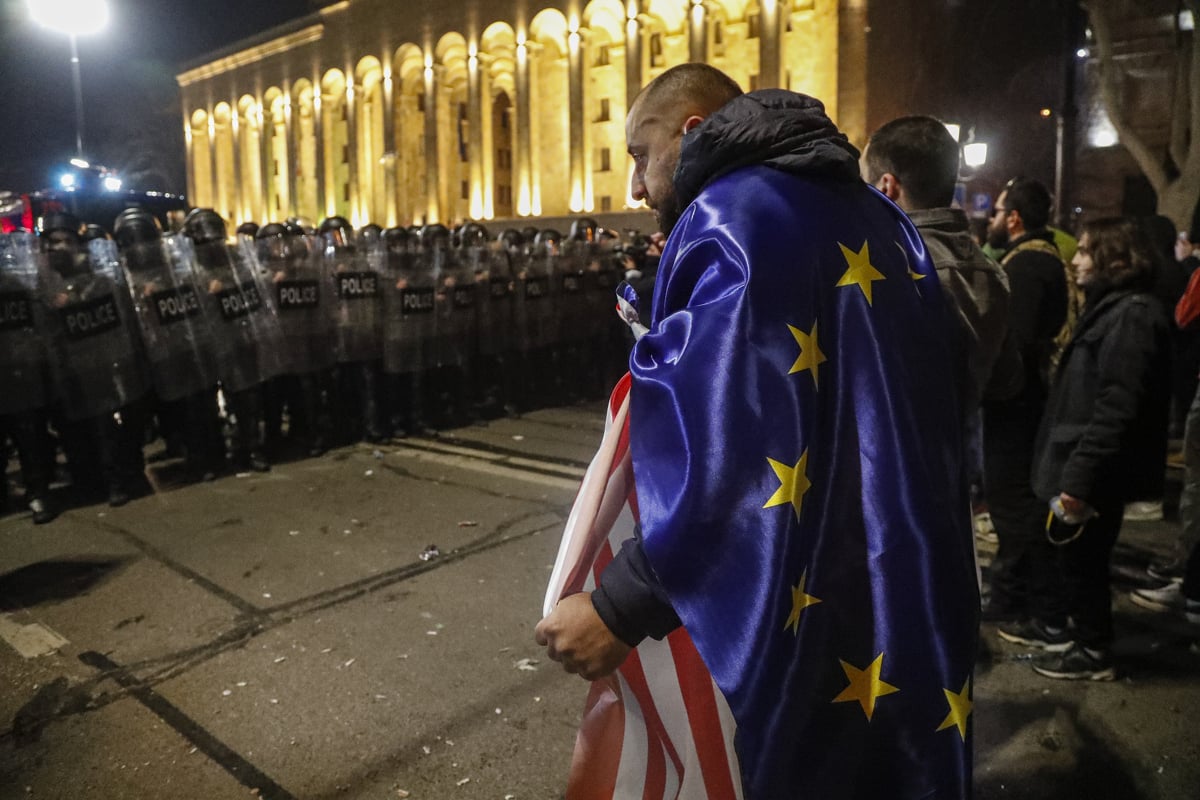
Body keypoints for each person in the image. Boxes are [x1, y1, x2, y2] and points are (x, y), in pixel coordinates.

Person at [535, 63, 977, 798]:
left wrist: (619, 605)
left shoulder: (730, 218)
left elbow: (731, 443)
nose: (636, 188)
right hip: (910, 587)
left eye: (641, 154)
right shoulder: (881, 218)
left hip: (812, 615)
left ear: (694, 131)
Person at [1014, 217, 1170, 680]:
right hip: (1079, 464)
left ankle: (1094, 650)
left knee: (1085, 563)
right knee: (1076, 561)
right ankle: (1085, 639)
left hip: (1092, 471)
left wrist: (1078, 480)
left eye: (1086, 251)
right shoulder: (1116, 307)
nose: (1076, 259)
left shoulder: (1133, 314)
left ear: (1117, 259)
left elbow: (1117, 410)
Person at [861, 116, 1016, 498]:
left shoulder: (881, 269)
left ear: (888, 186)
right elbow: (1007, 380)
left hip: (883, 481)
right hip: (952, 469)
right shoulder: (991, 271)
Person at [980, 177, 1069, 622]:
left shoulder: (1027, 265)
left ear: (1013, 218)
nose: (993, 219)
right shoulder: (1041, 255)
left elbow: (1015, 341)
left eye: (997, 211)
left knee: (1012, 502)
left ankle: (1019, 599)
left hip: (1017, 404)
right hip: (1025, 399)